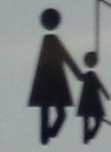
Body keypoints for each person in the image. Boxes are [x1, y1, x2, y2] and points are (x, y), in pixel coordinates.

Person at [27, 7, 78, 141]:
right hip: (52, 81)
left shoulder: (51, 40)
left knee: (54, 112)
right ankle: (47, 135)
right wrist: (78, 74)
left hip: (52, 81)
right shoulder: (51, 41)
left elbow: (65, 57)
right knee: (51, 111)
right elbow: (66, 57)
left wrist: (78, 75)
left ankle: (48, 135)